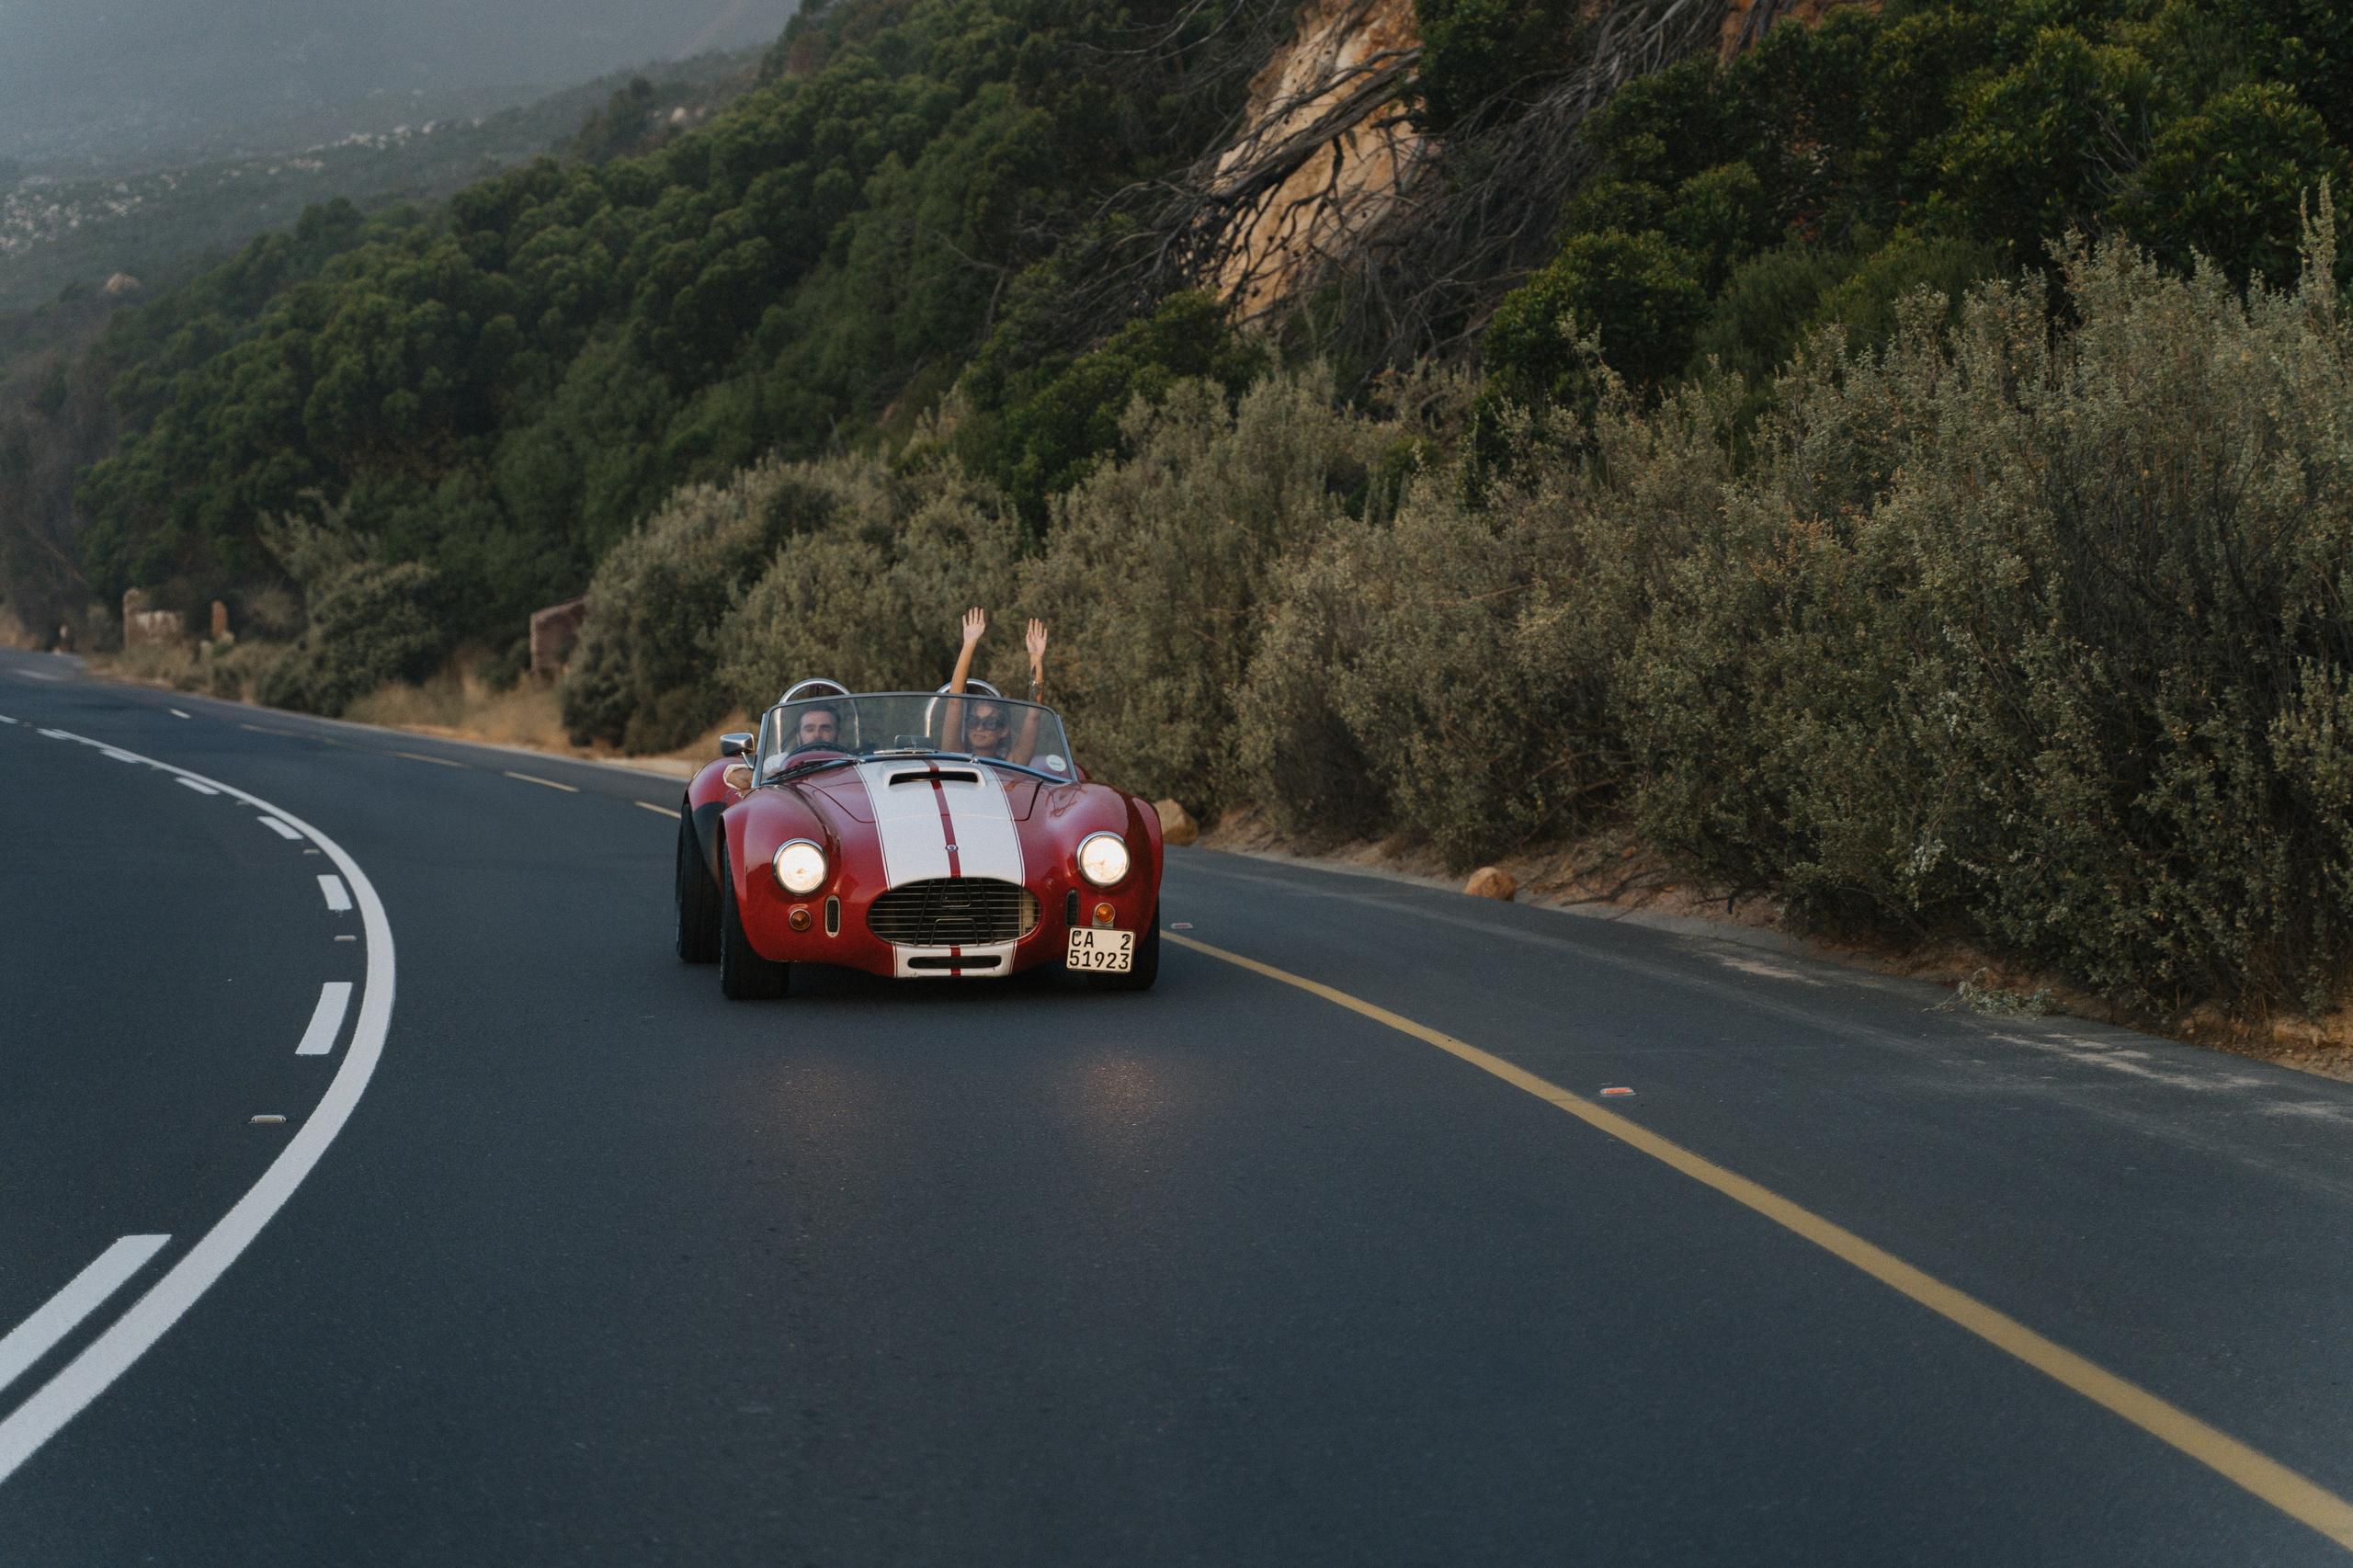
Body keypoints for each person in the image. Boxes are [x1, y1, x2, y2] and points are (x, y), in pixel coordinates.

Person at [942, 608, 1048, 764]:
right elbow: (954, 702)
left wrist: (1036, 659)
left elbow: (1034, 715)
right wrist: (969, 644)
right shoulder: (956, 758)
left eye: (989, 723)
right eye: (972, 721)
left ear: (1004, 730)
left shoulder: (1012, 764)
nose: (979, 728)